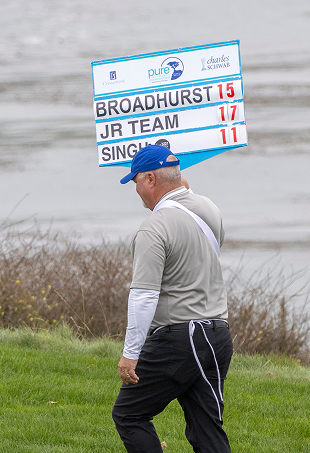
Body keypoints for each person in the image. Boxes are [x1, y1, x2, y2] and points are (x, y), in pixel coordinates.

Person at [111, 145, 232, 453]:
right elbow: (185, 195)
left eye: (135, 180)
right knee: (207, 429)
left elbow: (143, 296)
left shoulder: (154, 227)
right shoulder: (210, 209)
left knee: (129, 414)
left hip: (180, 338)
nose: (135, 188)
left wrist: (130, 354)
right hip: (218, 335)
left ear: (150, 179)